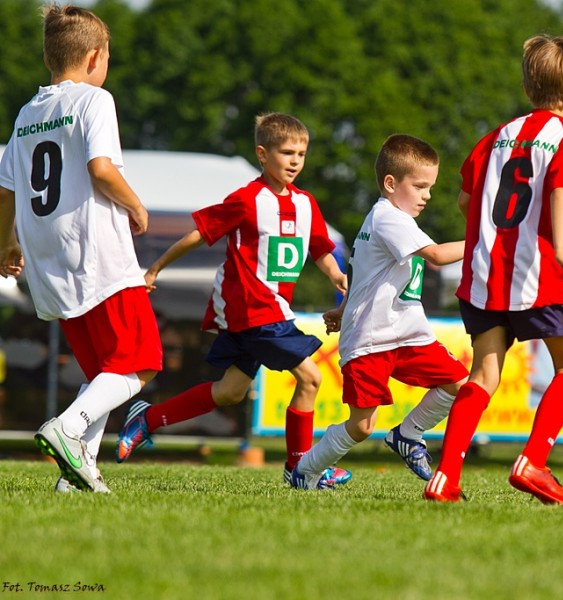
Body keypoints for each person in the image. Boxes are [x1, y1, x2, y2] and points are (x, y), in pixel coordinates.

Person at [115, 113, 351, 486]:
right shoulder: (247, 200)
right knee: (310, 377)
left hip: (264, 313)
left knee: (229, 392)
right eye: (287, 152)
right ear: (262, 154)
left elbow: (319, 248)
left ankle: (148, 418)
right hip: (252, 309)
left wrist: (336, 274)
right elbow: (199, 234)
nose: (295, 161)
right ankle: (301, 470)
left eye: (301, 154)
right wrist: (154, 268)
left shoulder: (306, 204)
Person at [424, 34, 563, 506]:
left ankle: (445, 477)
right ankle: (534, 460)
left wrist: (489, 235)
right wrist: (561, 251)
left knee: (483, 376)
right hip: (538, 275)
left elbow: (465, 198)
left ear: (526, 87)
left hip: (482, 277)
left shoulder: (495, 136)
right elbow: (562, 193)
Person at [0, 5, 161, 493]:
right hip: (99, 255)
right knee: (141, 362)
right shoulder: (94, 100)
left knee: (104, 372)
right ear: (95, 57)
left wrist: (5, 242)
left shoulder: (29, 112)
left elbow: (7, 190)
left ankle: (77, 475)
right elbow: (101, 169)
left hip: (51, 259)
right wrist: (136, 206)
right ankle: (67, 430)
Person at [290, 134, 469, 490]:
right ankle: (305, 471)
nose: (427, 195)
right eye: (419, 186)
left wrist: (343, 308)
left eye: (429, 187)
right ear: (391, 183)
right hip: (371, 339)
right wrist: (486, 240)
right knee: (361, 426)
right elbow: (435, 257)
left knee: (458, 383)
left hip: (406, 332)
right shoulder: (388, 218)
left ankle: (407, 433)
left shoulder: (389, 219)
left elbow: (361, 271)